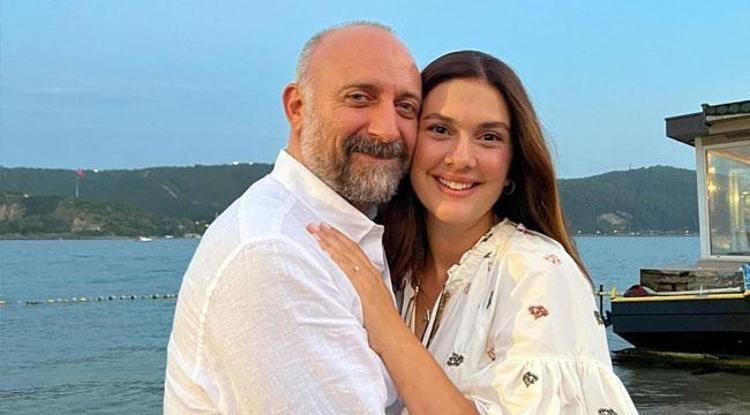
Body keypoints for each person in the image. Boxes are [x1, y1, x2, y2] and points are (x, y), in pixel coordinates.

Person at [308, 51, 637, 414]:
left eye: (489, 137)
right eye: (440, 130)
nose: (461, 158)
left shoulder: (536, 272)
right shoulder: (394, 269)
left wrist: (384, 324)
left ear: (513, 163)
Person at [164, 22, 422, 414]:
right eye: (359, 98)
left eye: (405, 107)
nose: (387, 130)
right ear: (298, 107)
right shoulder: (273, 253)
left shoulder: (347, 231)